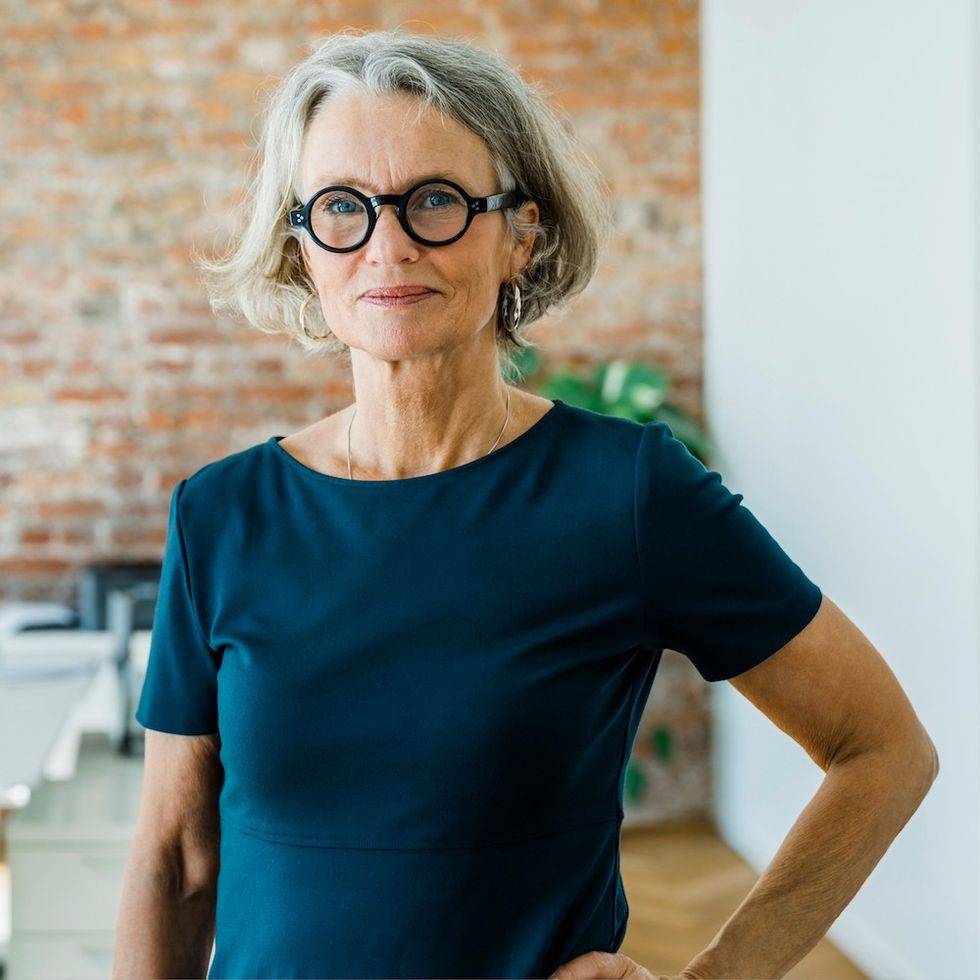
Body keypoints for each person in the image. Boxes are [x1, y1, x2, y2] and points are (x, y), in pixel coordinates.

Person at [112, 29, 939, 980]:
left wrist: (722, 975)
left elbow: (883, 749)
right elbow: (174, 860)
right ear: (302, 248)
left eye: (436, 201)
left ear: (522, 232)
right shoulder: (221, 516)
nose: (388, 246)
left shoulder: (626, 494)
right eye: (342, 207)